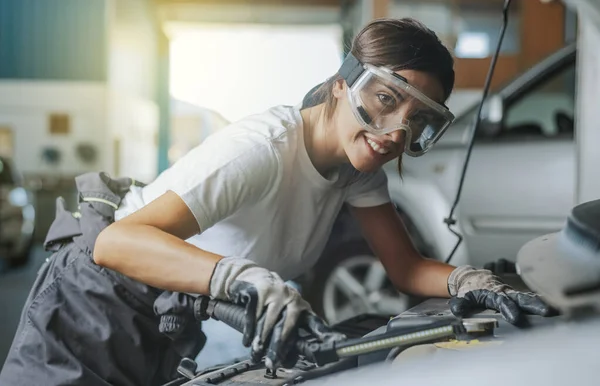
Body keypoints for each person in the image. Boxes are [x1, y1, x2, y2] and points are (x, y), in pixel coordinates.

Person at [0, 18, 555, 386]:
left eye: (418, 121)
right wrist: (245, 278)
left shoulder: (355, 169)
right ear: (343, 84)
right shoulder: (264, 148)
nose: (393, 133)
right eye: (384, 100)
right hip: (92, 301)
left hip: (167, 318)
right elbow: (117, 243)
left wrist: (472, 283)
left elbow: (407, 269)